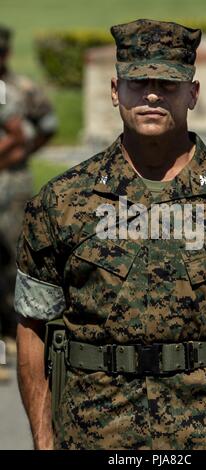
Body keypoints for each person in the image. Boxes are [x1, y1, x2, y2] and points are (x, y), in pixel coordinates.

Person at [15, 19, 206, 450]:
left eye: (167, 83)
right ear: (115, 91)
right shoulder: (62, 201)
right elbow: (32, 325)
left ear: (192, 93)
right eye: (138, 81)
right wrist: (42, 439)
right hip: (94, 434)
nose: (152, 94)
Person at [0, 24, 57, 369]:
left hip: (12, 183)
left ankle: (15, 330)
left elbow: (36, 129)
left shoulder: (18, 90)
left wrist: (22, 153)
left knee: (13, 257)